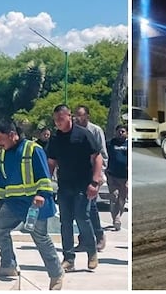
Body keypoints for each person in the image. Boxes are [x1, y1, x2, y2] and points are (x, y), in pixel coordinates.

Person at [0, 121, 64, 290]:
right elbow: (1, 181)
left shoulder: (32, 149)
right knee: (0, 229)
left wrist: (41, 194)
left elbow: (44, 176)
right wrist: (0, 202)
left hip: (34, 204)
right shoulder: (2, 154)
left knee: (40, 238)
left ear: (12, 134)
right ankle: (8, 264)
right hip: (13, 204)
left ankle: (56, 274)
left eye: (1, 139)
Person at [47, 104, 104, 273]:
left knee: (82, 217)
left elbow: (98, 157)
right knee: (65, 222)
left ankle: (92, 252)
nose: (58, 122)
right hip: (64, 185)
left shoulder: (83, 134)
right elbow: (51, 163)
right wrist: (46, 185)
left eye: (61, 119)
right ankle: (68, 258)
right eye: (55, 119)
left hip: (83, 184)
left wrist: (95, 181)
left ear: (69, 116)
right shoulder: (55, 139)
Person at [73, 105, 107, 251]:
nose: (77, 118)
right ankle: (84, 239)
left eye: (80, 115)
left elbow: (103, 155)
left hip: (93, 175)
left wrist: (98, 176)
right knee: (80, 207)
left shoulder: (95, 131)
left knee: (89, 207)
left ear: (87, 116)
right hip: (79, 175)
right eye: (75, 115)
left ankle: (98, 235)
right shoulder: (73, 131)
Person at [106, 125, 130, 231]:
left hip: (125, 177)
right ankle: (116, 219)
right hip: (112, 175)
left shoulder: (129, 144)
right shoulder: (110, 144)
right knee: (114, 197)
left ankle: (118, 216)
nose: (121, 133)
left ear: (127, 133)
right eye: (119, 131)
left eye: (123, 131)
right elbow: (104, 157)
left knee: (122, 199)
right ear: (115, 132)